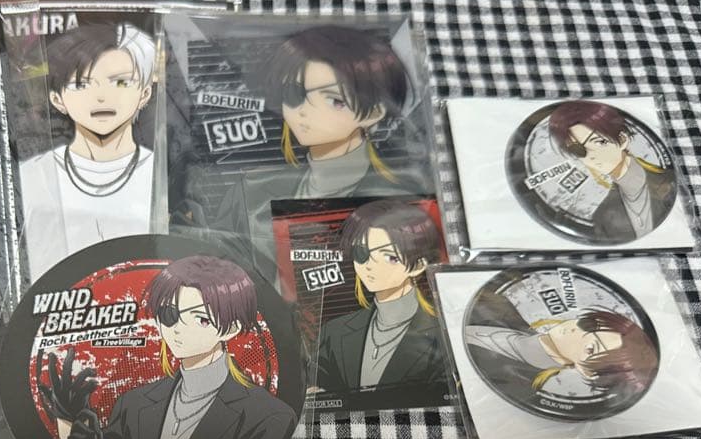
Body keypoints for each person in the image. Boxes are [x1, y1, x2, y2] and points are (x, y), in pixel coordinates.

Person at [38, 255, 296, 439]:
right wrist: (68, 426)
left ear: (231, 329)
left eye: (201, 318)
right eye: (170, 314)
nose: (178, 328)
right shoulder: (132, 405)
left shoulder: (269, 418)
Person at [212, 26, 428, 279]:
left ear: (374, 112)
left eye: (335, 101)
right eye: (294, 94)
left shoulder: (401, 202)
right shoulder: (249, 194)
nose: (305, 111)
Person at [18, 22, 157, 283]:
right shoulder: (32, 176)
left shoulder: (162, 176)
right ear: (57, 99)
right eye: (82, 85)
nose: (101, 97)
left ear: (145, 92)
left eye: (120, 82)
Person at [316, 201, 446, 403]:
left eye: (390, 257)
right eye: (362, 253)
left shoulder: (443, 336)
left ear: (419, 265)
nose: (370, 265)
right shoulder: (333, 333)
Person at [464, 288, 658, 398]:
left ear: (587, 372)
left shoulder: (513, 387)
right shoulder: (499, 305)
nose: (575, 332)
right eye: (587, 325)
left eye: (590, 348)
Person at [547, 100, 675, 241]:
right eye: (578, 150)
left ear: (622, 140)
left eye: (599, 142)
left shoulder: (670, 182)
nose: (591, 155)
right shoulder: (602, 215)